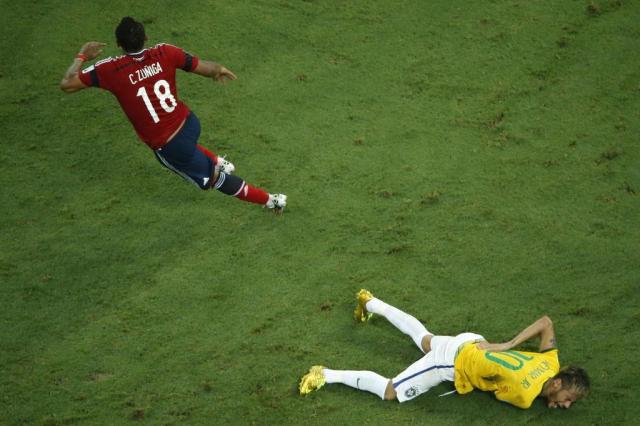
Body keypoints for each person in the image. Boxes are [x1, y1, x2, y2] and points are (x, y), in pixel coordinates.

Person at [60, 17, 286, 212]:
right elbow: (205, 67)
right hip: (189, 123)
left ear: (119, 44)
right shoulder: (165, 51)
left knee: (215, 181)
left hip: (171, 145)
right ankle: (217, 161)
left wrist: (81, 56)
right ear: (146, 39)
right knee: (188, 144)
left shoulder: (109, 69)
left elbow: (68, 84)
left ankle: (271, 200)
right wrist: (219, 69)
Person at [299, 289, 590, 409]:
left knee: (424, 338)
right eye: (566, 398)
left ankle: (369, 301)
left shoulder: (551, 362)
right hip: (451, 362)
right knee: (390, 391)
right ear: (557, 383)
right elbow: (498, 388)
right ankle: (325, 373)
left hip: (471, 340)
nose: (566, 404)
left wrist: (510, 344)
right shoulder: (526, 397)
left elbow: (546, 322)